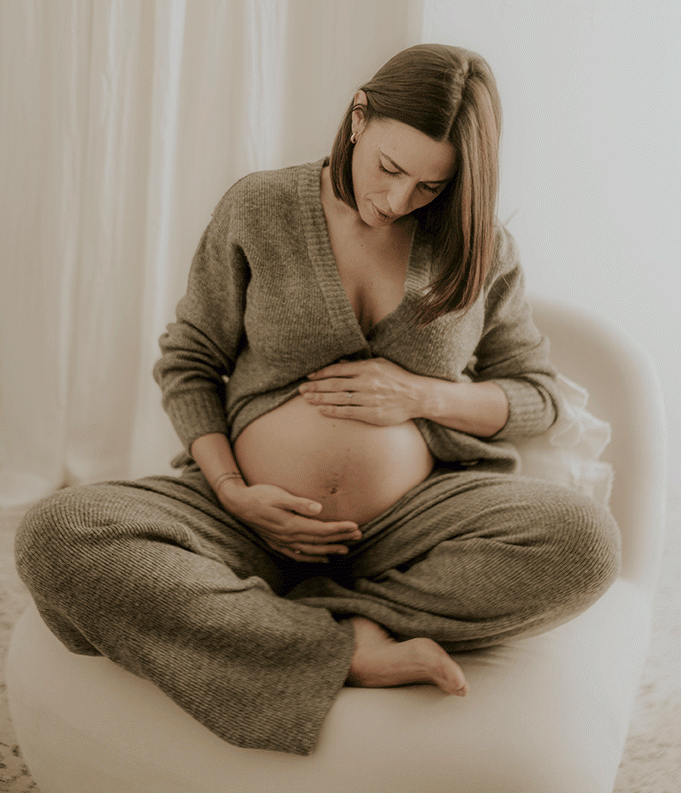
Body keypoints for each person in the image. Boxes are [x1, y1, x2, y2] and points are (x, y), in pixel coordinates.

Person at [15, 44, 620, 756]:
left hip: (410, 530)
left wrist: (420, 395)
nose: (396, 201)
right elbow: (189, 361)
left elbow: (537, 395)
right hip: (241, 519)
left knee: (585, 544)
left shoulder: (479, 247)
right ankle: (343, 647)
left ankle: (303, 616)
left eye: (429, 187)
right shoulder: (261, 207)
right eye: (390, 169)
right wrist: (234, 490)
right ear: (359, 116)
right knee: (60, 531)